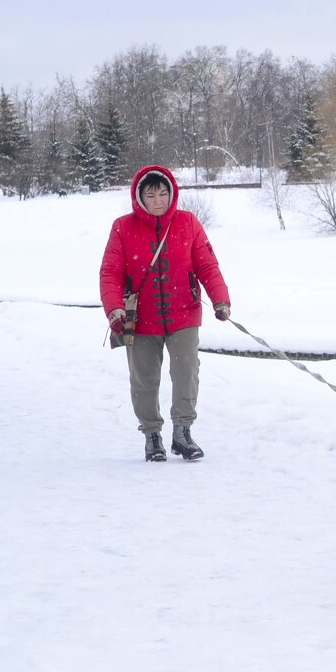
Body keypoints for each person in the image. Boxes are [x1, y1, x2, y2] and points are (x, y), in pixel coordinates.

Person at [100, 165, 231, 462]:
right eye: (151, 195)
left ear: (172, 194)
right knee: (144, 378)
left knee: (186, 372)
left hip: (184, 312)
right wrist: (114, 308)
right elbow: (110, 272)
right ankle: (152, 435)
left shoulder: (188, 223)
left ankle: (182, 433)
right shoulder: (123, 227)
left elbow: (208, 265)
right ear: (139, 197)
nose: (158, 200)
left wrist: (221, 300)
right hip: (140, 317)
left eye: (163, 193)